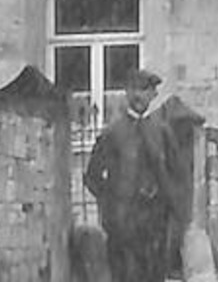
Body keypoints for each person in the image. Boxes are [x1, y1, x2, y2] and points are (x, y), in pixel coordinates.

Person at [83, 68, 183, 281]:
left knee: (154, 278)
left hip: (155, 224)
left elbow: (177, 174)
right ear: (126, 93)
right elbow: (92, 176)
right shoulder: (112, 133)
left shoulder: (163, 132)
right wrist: (111, 201)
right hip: (123, 224)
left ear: (153, 95)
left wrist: (170, 207)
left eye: (144, 90)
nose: (138, 96)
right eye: (133, 89)